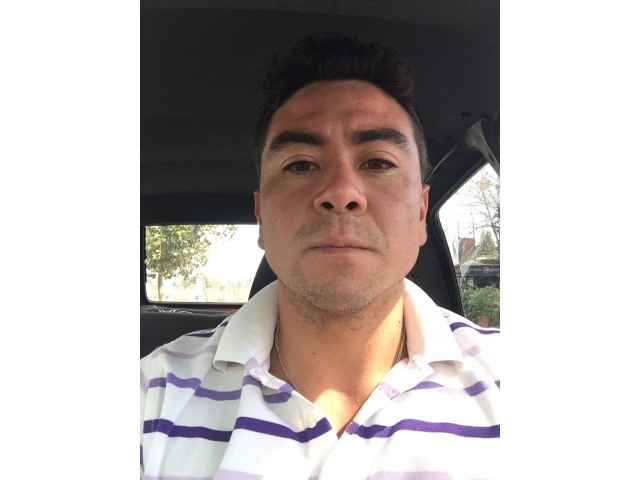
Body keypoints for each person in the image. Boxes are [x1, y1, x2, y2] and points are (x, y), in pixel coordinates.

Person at [140, 34, 499, 479]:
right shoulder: (151, 396)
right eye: (301, 165)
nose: (341, 192)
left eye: (378, 162)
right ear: (261, 218)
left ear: (422, 211)